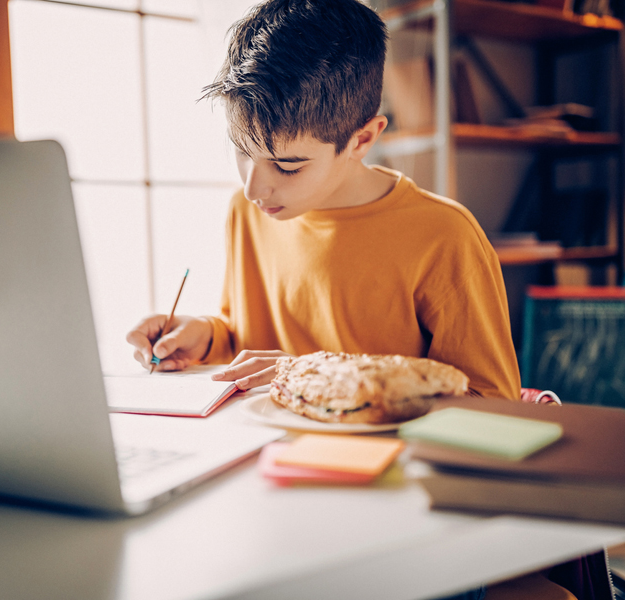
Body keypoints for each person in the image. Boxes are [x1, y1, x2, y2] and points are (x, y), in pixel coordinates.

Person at [126, 0, 520, 401]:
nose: (253, 188)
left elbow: (494, 404)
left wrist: (311, 373)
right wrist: (207, 337)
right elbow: (248, 337)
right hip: (260, 449)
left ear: (362, 139)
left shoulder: (444, 236)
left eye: (287, 166)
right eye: (242, 151)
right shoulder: (247, 210)